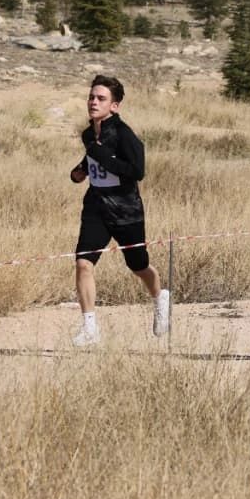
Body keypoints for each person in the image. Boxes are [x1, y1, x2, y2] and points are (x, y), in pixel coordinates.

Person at [70, 75, 169, 345]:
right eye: (91, 97)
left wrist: (105, 160)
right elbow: (94, 159)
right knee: (83, 263)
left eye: (101, 98)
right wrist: (81, 171)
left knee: (139, 266)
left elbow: (137, 171)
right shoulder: (89, 134)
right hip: (96, 208)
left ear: (115, 106)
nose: (93, 102)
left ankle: (160, 297)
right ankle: (90, 328)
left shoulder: (125, 135)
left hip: (126, 212)